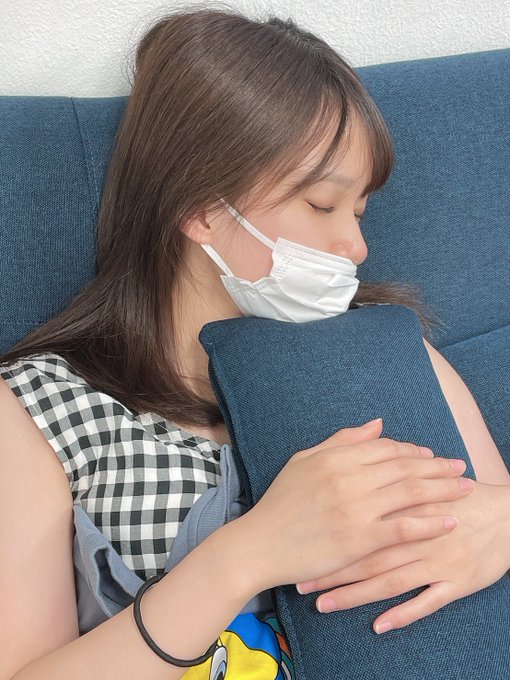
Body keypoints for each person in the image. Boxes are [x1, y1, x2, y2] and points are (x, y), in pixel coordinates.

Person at [1, 5, 509, 679]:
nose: (356, 246)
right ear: (201, 206)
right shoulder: (39, 410)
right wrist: (251, 551)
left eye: (360, 211)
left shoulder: (391, 351)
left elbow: (495, 505)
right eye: (322, 205)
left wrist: (501, 528)